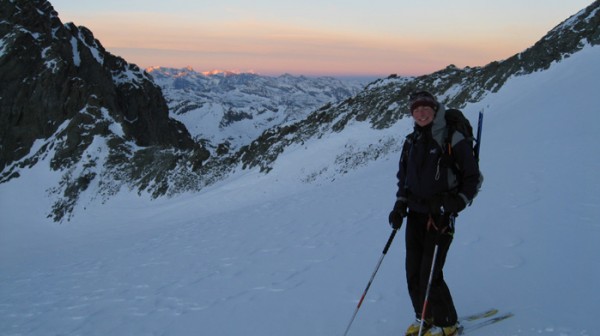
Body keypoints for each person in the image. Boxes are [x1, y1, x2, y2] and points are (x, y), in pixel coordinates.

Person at [388, 91, 482, 336]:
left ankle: (447, 322)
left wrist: (456, 203)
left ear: (434, 108)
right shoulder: (411, 142)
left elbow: (473, 178)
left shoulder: (453, 137)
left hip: (441, 216)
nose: (420, 113)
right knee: (413, 270)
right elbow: (404, 180)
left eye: (425, 108)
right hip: (415, 214)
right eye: (415, 109)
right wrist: (399, 206)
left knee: (431, 271)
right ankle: (424, 316)